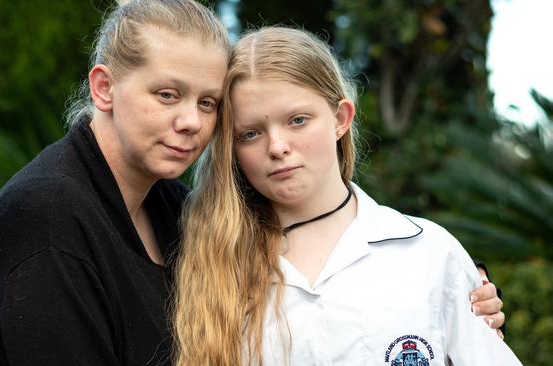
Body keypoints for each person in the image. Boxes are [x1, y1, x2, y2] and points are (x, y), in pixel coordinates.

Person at [173, 27, 520, 365]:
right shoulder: (207, 265)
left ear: (340, 118)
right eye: (250, 134)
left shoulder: (430, 253)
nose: (277, 147)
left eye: (297, 120)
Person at [0, 0, 229, 365]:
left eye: (207, 103)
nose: (191, 121)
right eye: (167, 95)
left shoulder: (174, 206)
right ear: (103, 87)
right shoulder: (48, 217)